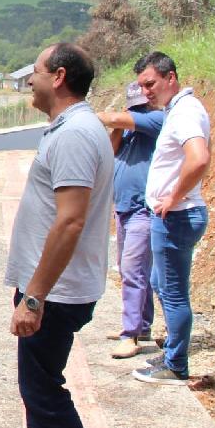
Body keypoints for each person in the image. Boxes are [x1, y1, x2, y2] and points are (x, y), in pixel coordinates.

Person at [0, 42, 115, 428]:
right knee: (39, 386)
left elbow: (70, 221)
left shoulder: (75, 136)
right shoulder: (73, 129)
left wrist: (34, 296)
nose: (30, 79)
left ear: (59, 76)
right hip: (54, 287)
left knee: (43, 391)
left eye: (37, 71)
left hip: (55, 292)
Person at [130, 51, 211, 385]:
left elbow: (199, 158)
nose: (146, 92)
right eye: (141, 86)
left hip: (177, 216)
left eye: (150, 84)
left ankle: (176, 364)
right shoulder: (178, 110)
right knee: (160, 283)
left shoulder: (185, 112)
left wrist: (174, 197)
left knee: (173, 293)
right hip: (173, 214)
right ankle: (172, 354)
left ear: (170, 78)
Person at [97, 72, 166, 359]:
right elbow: (112, 150)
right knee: (134, 271)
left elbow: (113, 118)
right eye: (134, 107)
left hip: (143, 210)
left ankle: (130, 335)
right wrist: (118, 127)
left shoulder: (156, 120)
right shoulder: (127, 129)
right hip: (124, 208)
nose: (138, 112)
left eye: (141, 106)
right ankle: (142, 325)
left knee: (133, 270)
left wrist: (108, 118)